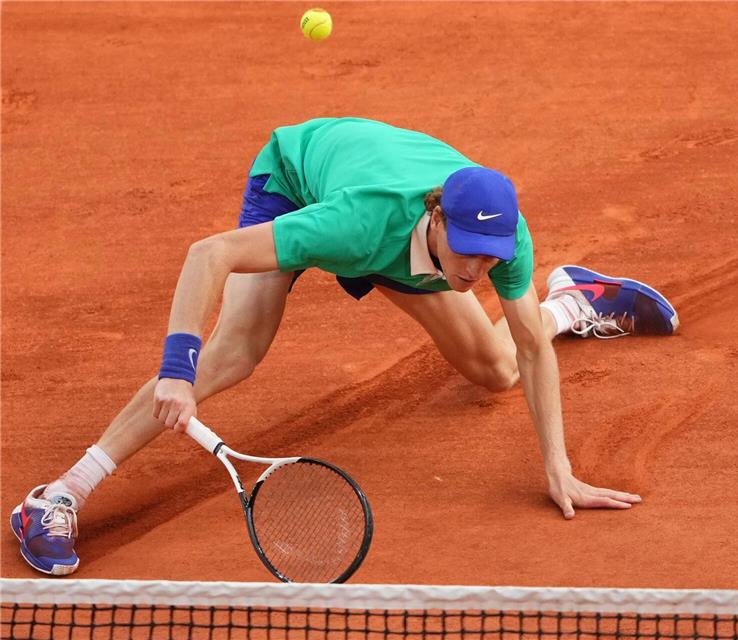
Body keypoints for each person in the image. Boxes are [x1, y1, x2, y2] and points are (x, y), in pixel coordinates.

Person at [10, 117, 679, 576]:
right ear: (437, 217)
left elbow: (530, 352)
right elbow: (207, 254)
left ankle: (573, 298)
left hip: (397, 237)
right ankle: (62, 494)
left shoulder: (496, 240)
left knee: (499, 367)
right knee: (233, 354)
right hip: (300, 184)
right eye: (469, 254)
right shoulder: (356, 224)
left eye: (491, 258)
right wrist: (176, 370)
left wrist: (557, 467)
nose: (478, 271)